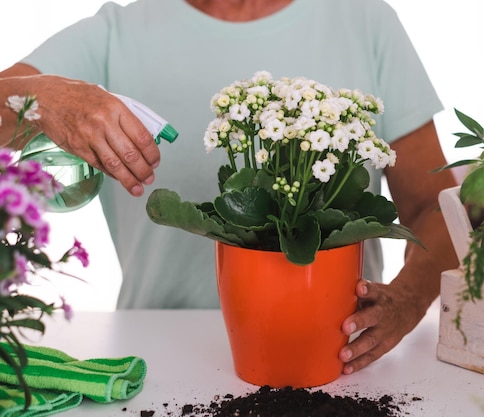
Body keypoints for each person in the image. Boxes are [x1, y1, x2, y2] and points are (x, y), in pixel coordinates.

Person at [0, 0, 457, 375]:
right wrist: (42, 97)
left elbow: (433, 210)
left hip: (336, 362)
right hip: (156, 357)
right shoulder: (115, 31)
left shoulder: (367, 23)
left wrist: (408, 300)